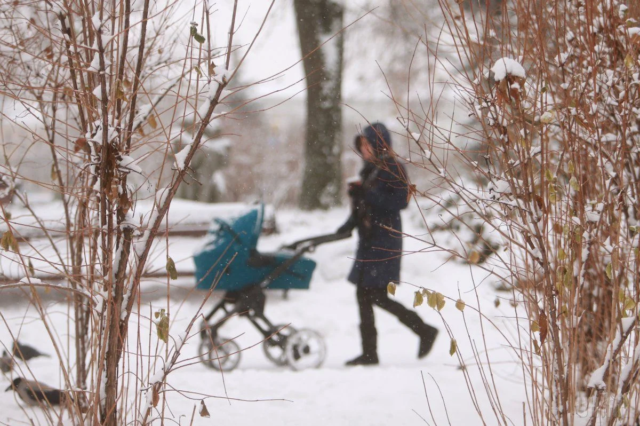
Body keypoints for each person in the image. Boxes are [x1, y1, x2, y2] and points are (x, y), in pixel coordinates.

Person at [337, 123, 438, 366]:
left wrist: (366, 194)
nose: (364, 150)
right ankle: (372, 351)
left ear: (379, 143)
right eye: (361, 146)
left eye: (367, 144)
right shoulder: (369, 170)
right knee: (366, 295)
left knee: (375, 296)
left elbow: (400, 202)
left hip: (384, 241)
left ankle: (422, 331)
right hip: (369, 241)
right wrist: (349, 223)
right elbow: (364, 207)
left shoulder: (393, 167)